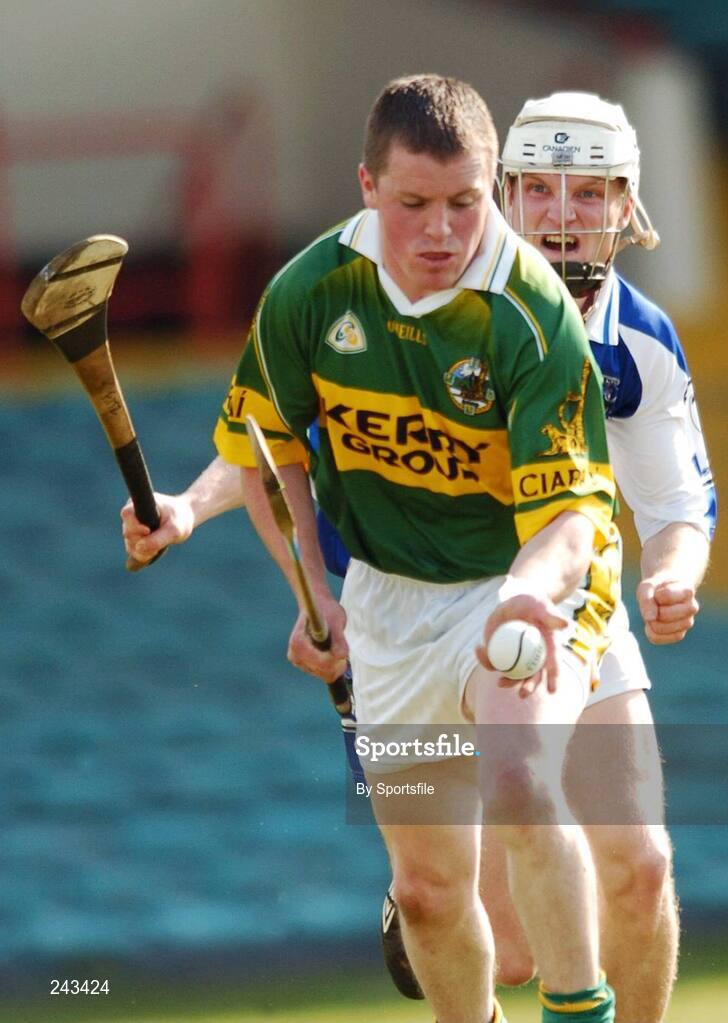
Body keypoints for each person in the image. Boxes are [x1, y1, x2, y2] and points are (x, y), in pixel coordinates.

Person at [126, 74, 621, 1023]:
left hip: (515, 581)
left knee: (519, 779)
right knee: (430, 893)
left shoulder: (530, 309)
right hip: (390, 599)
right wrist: (304, 584)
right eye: (414, 204)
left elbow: (570, 519)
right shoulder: (312, 295)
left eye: (465, 203)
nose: (442, 230)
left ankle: (581, 1011)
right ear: (367, 186)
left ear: (493, 192)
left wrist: (524, 597)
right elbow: (269, 454)